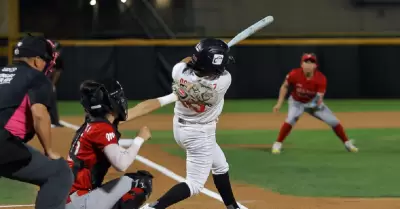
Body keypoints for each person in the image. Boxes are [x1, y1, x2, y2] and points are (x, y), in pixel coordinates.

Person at [116, 38, 242, 209]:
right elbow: (217, 70)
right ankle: (153, 208)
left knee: (220, 165)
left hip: (181, 129)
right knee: (195, 185)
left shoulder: (178, 72)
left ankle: (232, 206)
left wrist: (200, 56)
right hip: (200, 135)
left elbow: (185, 61)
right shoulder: (223, 81)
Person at [0, 35, 73, 209]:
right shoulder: (37, 78)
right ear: (36, 60)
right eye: (46, 60)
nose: (48, 65)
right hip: (2, 144)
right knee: (59, 173)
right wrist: (49, 150)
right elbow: (39, 115)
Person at [65, 79, 153, 209]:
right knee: (141, 182)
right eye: (118, 97)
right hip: (78, 201)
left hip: (69, 197)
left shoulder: (92, 124)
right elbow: (121, 164)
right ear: (110, 104)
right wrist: (139, 139)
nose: (121, 100)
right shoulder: (102, 128)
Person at [271, 53, 359, 154]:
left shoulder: (321, 78)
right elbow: (285, 86)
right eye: (306, 62)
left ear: (315, 66)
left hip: (313, 103)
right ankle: (277, 144)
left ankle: (347, 144)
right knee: (290, 119)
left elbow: (319, 98)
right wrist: (279, 103)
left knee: (334, 122)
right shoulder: (294, 74)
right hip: (297, 102)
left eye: (311, 62)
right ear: (302, 65)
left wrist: (313, 106)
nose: (309, 65)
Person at [47, 40, 63, 127]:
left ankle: (55, 121)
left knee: (52, 98)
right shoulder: (46, 58)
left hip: (48, 82)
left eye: (58, 50)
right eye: (56, 50)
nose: (58, 52)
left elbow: (57, 73)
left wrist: (52, 84)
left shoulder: (59, 60)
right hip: (40, 81)